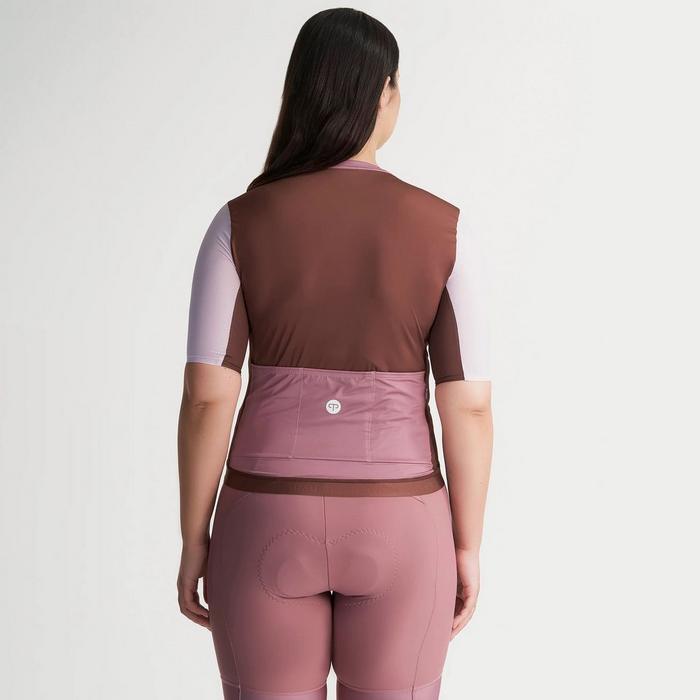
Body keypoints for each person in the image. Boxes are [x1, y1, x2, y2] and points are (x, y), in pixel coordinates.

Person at [177, 8, 493, 699]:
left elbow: (207, 396)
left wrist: (194, 537)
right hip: (403, 521)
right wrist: (466, 545)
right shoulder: (445, 230)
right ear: (384, 93)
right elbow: (468, 405)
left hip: (265, 517)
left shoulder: (238, 223)